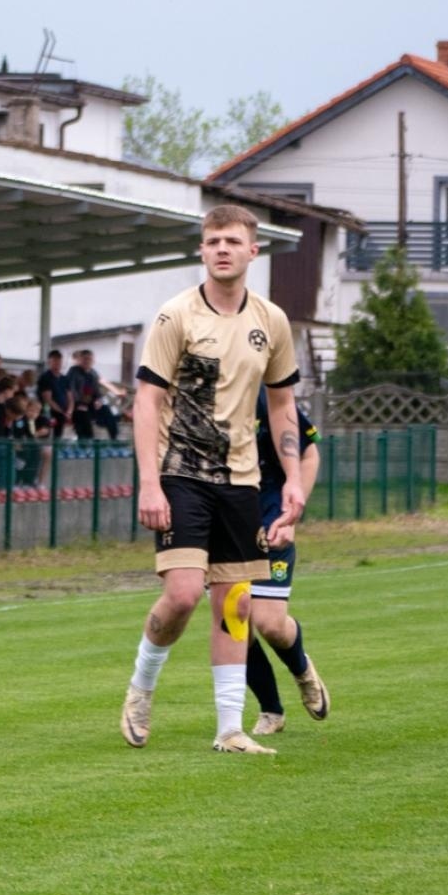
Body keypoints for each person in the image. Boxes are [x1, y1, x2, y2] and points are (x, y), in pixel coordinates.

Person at [119, 205, 307, 756]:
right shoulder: (175, 315)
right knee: (181, 596)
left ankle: (229, 730)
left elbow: (283, 404)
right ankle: (141, 688)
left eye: (232, 241)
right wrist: (149, 483)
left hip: (242, 481)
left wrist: (293, 478)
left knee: (236, 605)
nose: (222, 249)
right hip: (181, 473)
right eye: (213, 241)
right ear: (202, 250)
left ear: (253, 251)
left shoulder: (272, 321)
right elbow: (147, 400)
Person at [244, 388, 327, 735]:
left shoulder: (265, 397)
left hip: (271, 525)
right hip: (220, 529)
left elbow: (309, 453)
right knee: (234, 624)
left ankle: (302, 670)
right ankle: (271, 710)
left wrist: (291, 513)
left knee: (270, 624)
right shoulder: (197, 398)